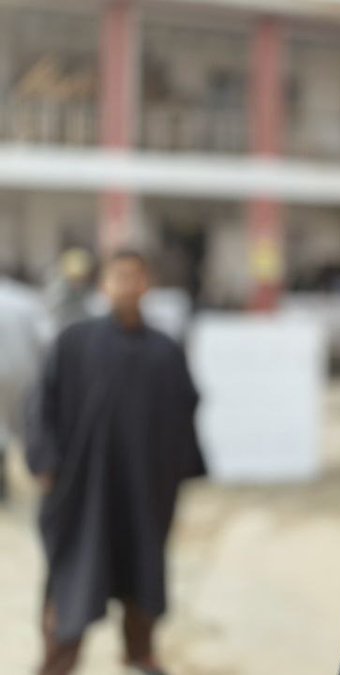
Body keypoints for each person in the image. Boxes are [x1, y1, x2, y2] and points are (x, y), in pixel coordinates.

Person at [25, 249, 206, 675]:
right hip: (82, 488)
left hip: (143, 488)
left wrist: (176, 474)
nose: (127, 285)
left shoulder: (165, 351)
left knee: (141, 570)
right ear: (104, 284)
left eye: (135, 277)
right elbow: (41, 405)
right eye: (118, 277)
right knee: (72, 577)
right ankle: (56, 663)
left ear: (147, 285)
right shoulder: (73, 341)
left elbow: (186, 409)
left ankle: (139, 652)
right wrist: (45, 462)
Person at [0, 269, 51, 502]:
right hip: (24, 374)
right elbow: (46, 340)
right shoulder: (28, 300)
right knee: (25, 426)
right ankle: (35, 472)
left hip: (16, 374)